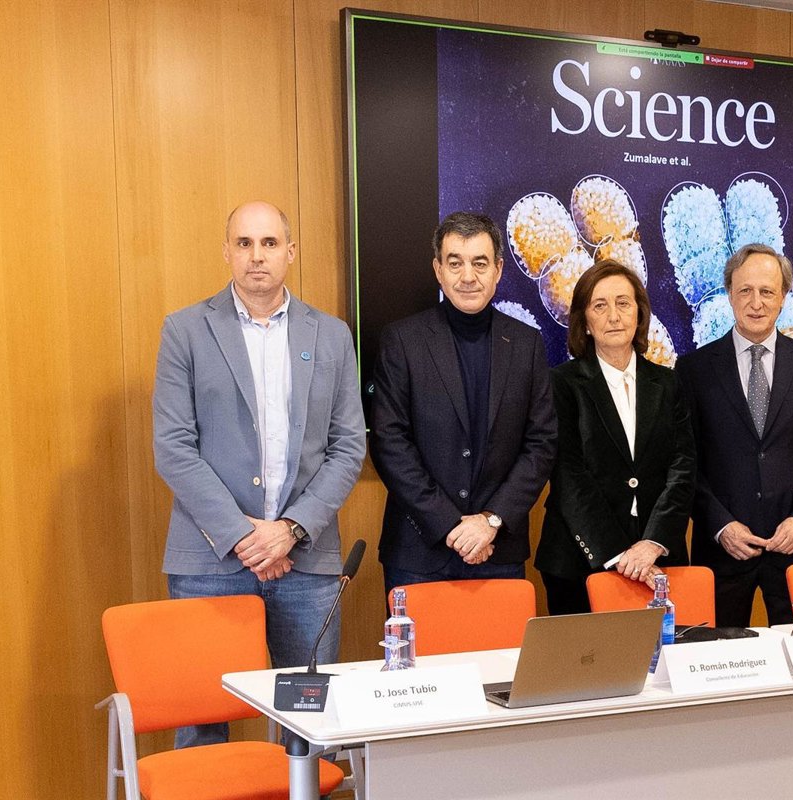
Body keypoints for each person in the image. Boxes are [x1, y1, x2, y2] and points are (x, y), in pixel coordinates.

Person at [153, 200, 366, 747]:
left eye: (269, 243)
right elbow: (173, 447)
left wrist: (289, 530)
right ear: (226, 252)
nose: (256, 256)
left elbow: (348, 447)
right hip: (211, 564)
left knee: (309, 726)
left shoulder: (332, 335)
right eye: (244, 243)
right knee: (202, 728)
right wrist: (244, 536)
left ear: (290, 252)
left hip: (306, 563)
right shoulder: (185, 331)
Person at [370, 212, 556, 595]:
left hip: (498, 549)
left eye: (480, 263)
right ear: (438, 270)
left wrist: (490, 520)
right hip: (419, 554)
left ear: (498, 269)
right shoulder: (402, 341)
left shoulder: (527, 344)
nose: (467, 276)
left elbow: (541, 443)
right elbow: (390, 443)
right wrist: (450, 524)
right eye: (455, 263)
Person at [676, 243, 793, 628]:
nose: (756, 303)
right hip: (724, 551)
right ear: (729, 295)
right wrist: (721, 526)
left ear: (783, 297)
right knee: (718, 658)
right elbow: (686, 466)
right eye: (745, 291)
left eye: (767, 291)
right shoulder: (693, 370)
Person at [535, 260, 695, 614]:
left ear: (639, 314)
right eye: (599, 306)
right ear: (585, 322)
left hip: (657, 557)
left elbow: (682, 468)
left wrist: (653, 543)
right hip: (579, 562)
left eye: (623, 303)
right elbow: (568, 475)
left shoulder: (667, 383)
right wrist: (620, 555)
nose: (613, 316)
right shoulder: (561, 384)